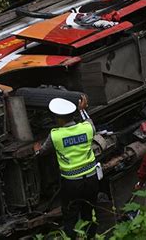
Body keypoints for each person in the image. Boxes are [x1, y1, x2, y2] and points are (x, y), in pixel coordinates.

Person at [34, 95, 98, 239]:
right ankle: (91, 237)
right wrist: (83, 110)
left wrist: (36, 148)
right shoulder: (87, 128)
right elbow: (89, 122)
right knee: (90, 212)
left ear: (59, 119)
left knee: (70, 215)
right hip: (91, 178)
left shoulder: (56, 135)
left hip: (71, 182)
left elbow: (42, 151)